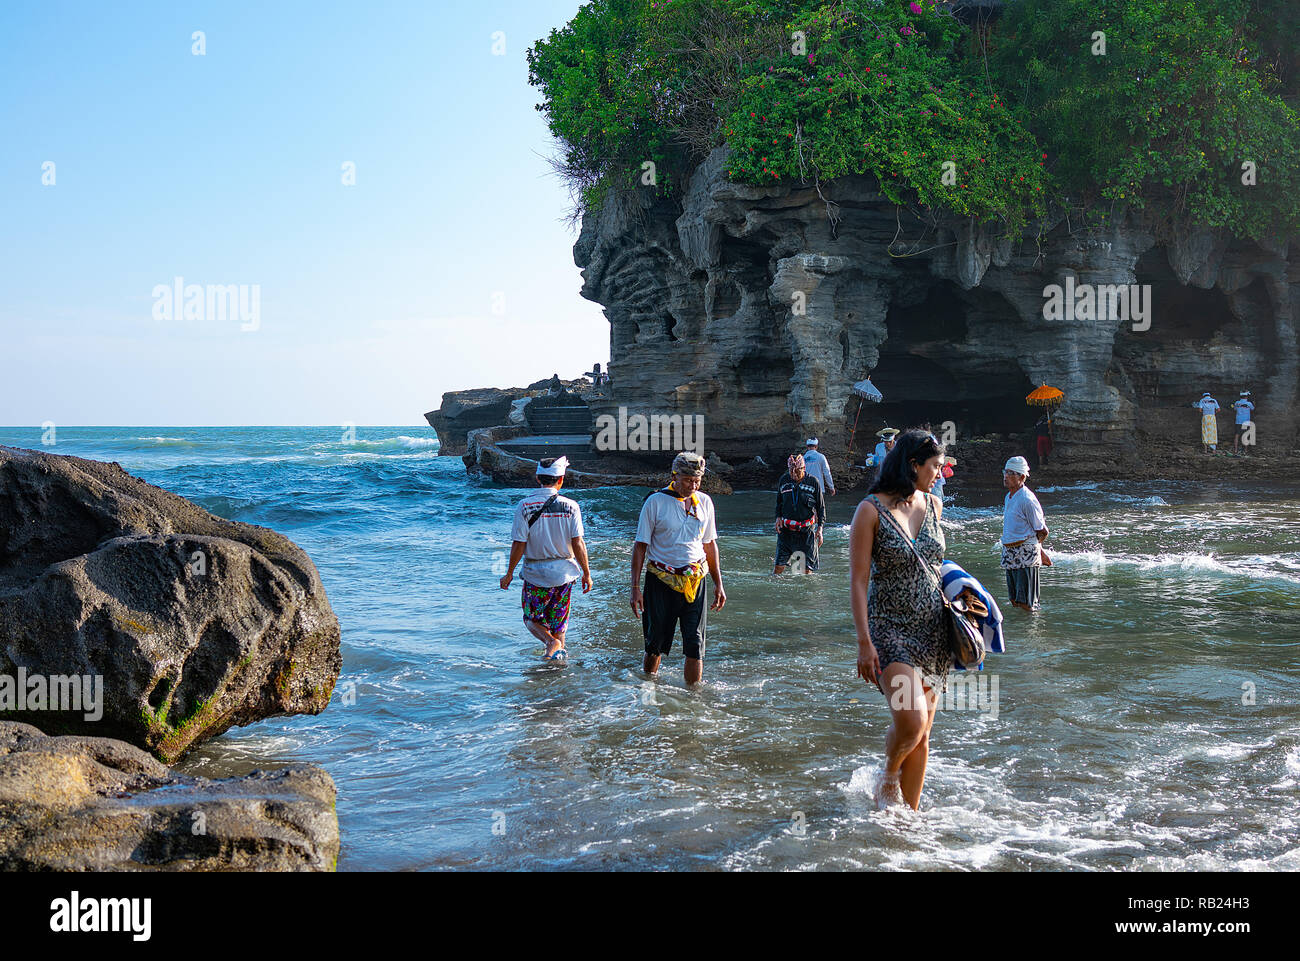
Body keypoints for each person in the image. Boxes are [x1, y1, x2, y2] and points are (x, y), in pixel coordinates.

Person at [849, 429, 949, 811]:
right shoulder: (870, 510)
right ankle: (888, 774)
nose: (939, 474)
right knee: (910, 722)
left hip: (934, 633)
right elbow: (858, 581)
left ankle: (909, 817)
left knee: (922, 734)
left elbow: (940, 568)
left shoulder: (934, 505)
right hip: (889, 631)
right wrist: (863, 641)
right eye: (934, 467)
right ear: (913, 465)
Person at [630, 451, 727, 685]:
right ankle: (648, 688)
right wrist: (635, 587)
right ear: (675, 475)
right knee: (655, 644)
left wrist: (718, 584)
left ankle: (693, 701)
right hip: (661, 580)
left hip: (696, 580)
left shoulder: (704, 502)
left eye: (697, 481)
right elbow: (640, 546)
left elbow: (709, 544)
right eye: (688, 480)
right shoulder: (655, 501)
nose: (693, 486)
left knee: (695, 644)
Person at [500, 456, 593, 660]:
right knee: (559, 624)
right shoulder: (571, 506)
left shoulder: (524, 506)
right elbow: (578, 543)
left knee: (531, 619)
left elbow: (519, 543)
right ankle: (558, 666)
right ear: (561, 479)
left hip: (536, 574)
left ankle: (551, 644)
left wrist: (509, 574)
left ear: (537, 478)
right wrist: (586, 573)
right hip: (564, 574)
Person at [1000, 456, 1048, 612]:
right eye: (1005, 472)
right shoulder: (1009, 496)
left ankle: (1033, 633)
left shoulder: (1027, 499)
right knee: (1014, 600)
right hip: (1010, 553)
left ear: (1021, 477)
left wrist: (1038, 550)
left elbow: (1041, 530)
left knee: (1028, 603)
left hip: (1025, 554)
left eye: (1010, 473)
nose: (1006, 476)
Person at [774, 453, 826, 574]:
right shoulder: (784, 480)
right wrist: (777, 517)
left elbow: (821, 507)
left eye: (797, 471)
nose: (794, 475)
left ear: (804, 469)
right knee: (778, 569)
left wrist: (820, 529)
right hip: (786, 532)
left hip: (806, 532)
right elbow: (779, 502)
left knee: (807, 572)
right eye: (791, 471)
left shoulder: (813, 482)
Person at [1232, 391, 1255, 456]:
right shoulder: (1249, 403)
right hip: (1246, 421)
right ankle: (1245, 450)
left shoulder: (1237, 403)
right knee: (1245, 435)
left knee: (1237, 435)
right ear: (1246, 396)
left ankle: (1235, 450)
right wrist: (1254, 403)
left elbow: (1234, 409)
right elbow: (1253, 409)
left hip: (1238, 421)